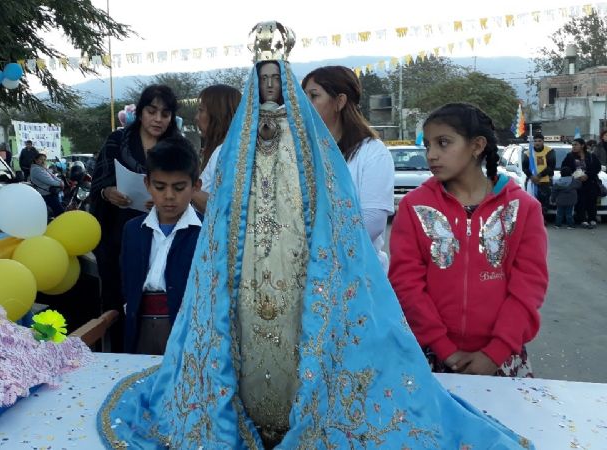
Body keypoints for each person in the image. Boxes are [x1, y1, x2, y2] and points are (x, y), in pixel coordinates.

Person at [99, 22, 534, 449]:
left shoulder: (311, 146)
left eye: (277, 80)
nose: (271, 89)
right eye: (263, 80)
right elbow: (223, 203)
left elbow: (337, 207)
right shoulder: (240, 143)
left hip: (298, 269)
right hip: (248, 269)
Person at [389, 103, 548, 379]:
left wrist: (494, 353)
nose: (432, 155)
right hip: (430, 357)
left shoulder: (524, 208)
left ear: (477, 146)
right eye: (428, 145)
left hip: (503, 359)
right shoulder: (414, 207)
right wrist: (443, 348)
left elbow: (528, 288)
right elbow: (406, 285)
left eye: (443, 143)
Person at [90, 84, 179, 352]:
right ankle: (119, 354)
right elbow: (98, 182)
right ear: (140, 112)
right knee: (118, 299)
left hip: (162, 235)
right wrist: (108, 192)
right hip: (118, 234)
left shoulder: (177, 147)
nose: (158, 119)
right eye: (152, 112)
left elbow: (185, 185)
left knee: (157, 296)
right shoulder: (117, 142)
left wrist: (164, 199)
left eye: (165, 114)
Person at [302, 65, 395, 271]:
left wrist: (317, 250)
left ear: (340, 101)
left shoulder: (372, 152)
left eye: (314, 96)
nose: (304, 104)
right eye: (303, 96)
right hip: (308, 272)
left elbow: (373, 222)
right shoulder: (302, 150)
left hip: (357, 273)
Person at [120, 135, 202, 355]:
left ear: (196, 186)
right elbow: (127, 282)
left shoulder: (207, 233)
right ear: (147, 184)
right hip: (140, 328)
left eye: (178, 187)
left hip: (187, 332)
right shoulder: (133, 230)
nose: (168, 196)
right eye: (159, 186)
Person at [191, 84, 242, 212]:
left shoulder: (228, 153)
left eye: (201, 110)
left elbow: (222, 207)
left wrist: (182, 189)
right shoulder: (223, 149)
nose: (196, 118)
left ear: (218, 114)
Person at [562, 138, 601, 228]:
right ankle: (582, 219)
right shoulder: (570, 156)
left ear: (582, 145)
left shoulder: (591, 156)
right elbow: (564, 168)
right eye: (573, 145)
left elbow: (597, 168)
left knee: (592, 201)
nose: (574, 147)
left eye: (576, 145)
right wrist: (574, 175)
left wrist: (587, 175)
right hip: (577, 183)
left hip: (590, 182)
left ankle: (592, 219)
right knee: (580, 201)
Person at [522, 132, 555, 215]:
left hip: (544, 181)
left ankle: (542, 218)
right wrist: (532, 177)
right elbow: (525, 168)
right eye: (535, 141)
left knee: (544, 202)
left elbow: (551, 167)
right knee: (531, 201)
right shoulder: (528, 153)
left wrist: (539, 176)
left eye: (539, 141)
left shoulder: (549, 151)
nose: (537, 143)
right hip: (531, 181)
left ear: (543, 141)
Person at [29, 152, 64, 218]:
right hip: (46, 194)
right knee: (60, 212)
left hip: (49, 192)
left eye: (44, 159)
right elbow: (49, 181)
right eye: (41, 159)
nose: (43, 161)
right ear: (36, 160)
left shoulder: (41, 168)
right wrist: (60, 183)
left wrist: (60, 181)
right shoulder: (36, 170)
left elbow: (52, 176)